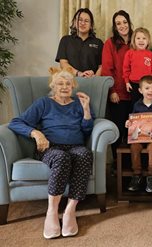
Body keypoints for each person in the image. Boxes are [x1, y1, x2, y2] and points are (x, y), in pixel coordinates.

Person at [8, 67, 95, 239]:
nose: (64, 86)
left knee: (85, 154)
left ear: (73, 86)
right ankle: (52, 212)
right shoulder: (43, 103)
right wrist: (35, 133)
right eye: (59, 83)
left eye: (68, 83)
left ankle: (70, 210)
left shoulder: (79, 104)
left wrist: (86, 110)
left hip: (75, 146)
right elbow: (15, 122)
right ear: (53, 86)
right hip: (50, 148)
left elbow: (86, 131)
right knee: (61, 157)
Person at [101, 10, 133, 158]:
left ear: (129, 23)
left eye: (124, 22)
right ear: (114, 26)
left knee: (134, 132)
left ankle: (133, 169)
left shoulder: (136, 40)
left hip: (136, 94)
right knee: (118, 130)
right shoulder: (110, 43)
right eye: (118, 23)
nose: (122, 26)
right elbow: (107, 69)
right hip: (118, 95)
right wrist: (111, 91)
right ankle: (117, 166)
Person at [56, 8, 103, 77]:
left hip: (91, 81)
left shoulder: (98, 43)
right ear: (75, 22)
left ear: (91, 25)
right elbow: (63, 64)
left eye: (86, 21)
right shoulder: (65, 40)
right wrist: (79, 73)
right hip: (70, 82)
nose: (83, 23)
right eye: (80, 20)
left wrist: (95, 77)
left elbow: (101, 66)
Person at [123, 27, 152, 107]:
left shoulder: (151, 55)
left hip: (148, 85)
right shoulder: (129, 53)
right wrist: (127, 82)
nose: (141, 40)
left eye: (144, 38)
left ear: (148, 41)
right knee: (135, 104)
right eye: (138, 38)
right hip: (134, 84)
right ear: (134, 40)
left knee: (149, 104)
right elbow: (126, 69)